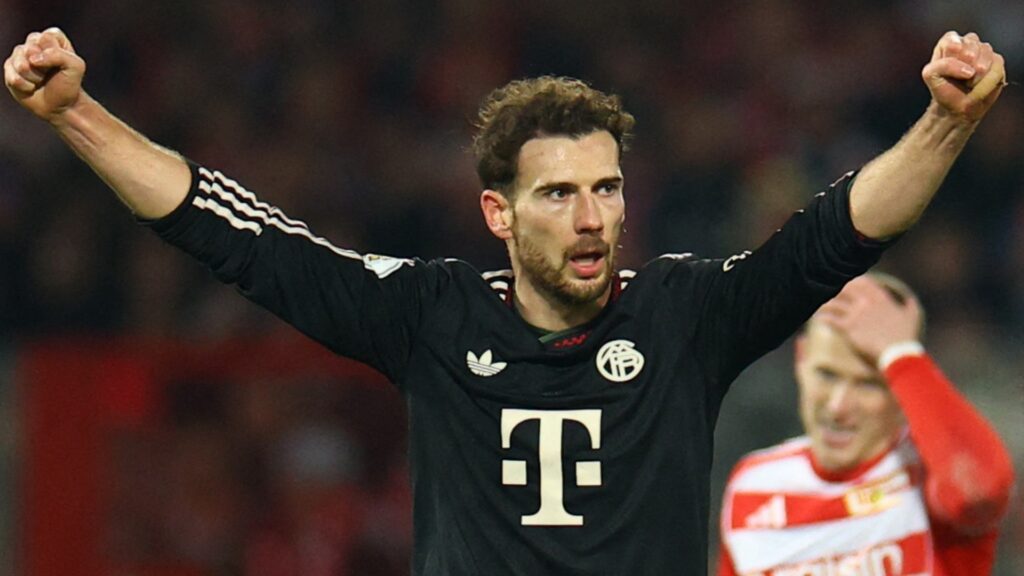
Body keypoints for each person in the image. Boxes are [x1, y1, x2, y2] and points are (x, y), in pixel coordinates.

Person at [4, 26, 1007, 576]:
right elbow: (238, 236)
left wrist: (944, 126)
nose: (590, 219)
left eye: (606, 189)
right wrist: (77, 114)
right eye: (559, 194)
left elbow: (835, 236)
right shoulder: (430, 314)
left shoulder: (685, 312)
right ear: (497, 211)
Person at [717, 274, 1015, 575]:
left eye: (868, 384)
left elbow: (979, 491)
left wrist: (901, 355)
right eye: (827, 374)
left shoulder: (928, 473)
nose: (838, 407)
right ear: (801, 359)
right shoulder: (752, 486)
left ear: (902, 385)